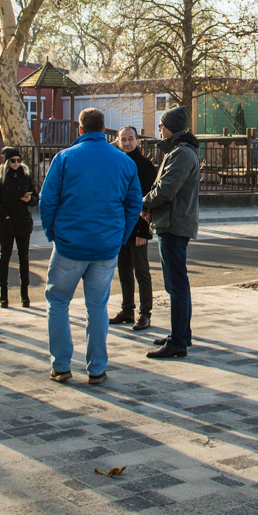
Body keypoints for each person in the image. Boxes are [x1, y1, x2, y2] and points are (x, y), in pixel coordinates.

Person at [38, 107, 141, 385]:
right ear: (103, 128)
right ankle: (96, 367)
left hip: (70, 244)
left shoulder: (65, 158)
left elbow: (47, 201)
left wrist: (53, 233)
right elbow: (134, 204)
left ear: (80, 130)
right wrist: (120, 236)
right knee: (97, 306)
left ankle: (61, 365)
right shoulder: (123, 161)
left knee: (58, 301)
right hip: (106, 245)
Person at [142, 106, 201, 360]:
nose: (159, 129)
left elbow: (165, 190)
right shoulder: (178, 151)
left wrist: (143, 204)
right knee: (178, 283)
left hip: (174, 225)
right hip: (172, 222)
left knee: (175, 285)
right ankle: (181, 334)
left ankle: (178, 342)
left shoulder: (182, 153)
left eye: (161, 125)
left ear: (170, 127)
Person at [110, 126, 157, 332]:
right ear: (118, 141)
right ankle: (127, 310)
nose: (127, 143)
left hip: (137, 228)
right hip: (120, 227)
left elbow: (147, 201)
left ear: (137, 141)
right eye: (123, 139)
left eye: (131, 139)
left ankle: (145, 314)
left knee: (142, 271)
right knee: (124, 271)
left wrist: (143, 231)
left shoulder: (145, 165)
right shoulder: (115, 161)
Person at [0, 146, 36, 308]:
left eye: (18, 160)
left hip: (23, 221)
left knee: (23, 257)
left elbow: (35, 196)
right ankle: (3, 295)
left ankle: (24, 295)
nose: (17, 163)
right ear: (6, 162)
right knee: (5, 257)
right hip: (7, 222)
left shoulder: (25, 176)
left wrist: (30, 201)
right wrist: (3, 214)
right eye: (13, 160)